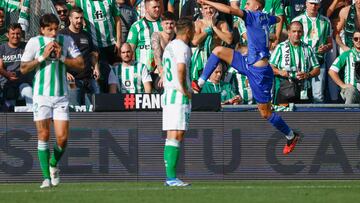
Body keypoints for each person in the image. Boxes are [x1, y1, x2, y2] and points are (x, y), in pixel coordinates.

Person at [193, 0, 300, 155]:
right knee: (218, 50)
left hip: (259, 73)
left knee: (265, 113)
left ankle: (291, 135)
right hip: (248, 62)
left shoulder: (253, 16)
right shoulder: (265, 17)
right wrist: (272, 34)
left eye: (248, 3)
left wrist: (208, 2)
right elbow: (277, 18)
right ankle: (200, 83)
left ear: (257, 6)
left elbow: (230, 10)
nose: (245, 6)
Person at [20, 13, 84, 188]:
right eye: (50, 30)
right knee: (44, 135)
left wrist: (62, 57)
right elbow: (23, 68)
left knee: (62, 139)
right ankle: (46, 178)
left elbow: (80, 64)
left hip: (61, 95)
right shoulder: (34, 42)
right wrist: (42, 57)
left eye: (56, 29)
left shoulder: (66, 41)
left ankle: (53, 163)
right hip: (41, 96)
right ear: (42, 30)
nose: (54, 33)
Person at [162, 17, 194, 186]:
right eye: (194, 29)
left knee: (171, 136)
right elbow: (181, 68)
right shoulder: (183, 47)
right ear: (188, 31)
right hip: (177, 95)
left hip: (168, 94)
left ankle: (170, 177)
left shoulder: (170, 46)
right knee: (177, 134)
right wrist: (183, 89)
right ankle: (171, 178)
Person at [72, 0, 122, 93]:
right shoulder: (81, 2)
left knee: (117, 73)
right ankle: (103, 101)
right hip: (96, 45)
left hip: (112, 44)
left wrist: (119, 41)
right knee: (100, 74)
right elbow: (71, 10)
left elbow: (117, 19)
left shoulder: (110, 1)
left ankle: (117, 100)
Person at [270, 21, 320, 104]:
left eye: (299, 31)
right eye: (294, 31)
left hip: (304, 90)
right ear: (289, 32)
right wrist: (280, 72)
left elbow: (317, 69)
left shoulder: (308, 48)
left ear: (303, 33)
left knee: (303, 116)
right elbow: (270, 68)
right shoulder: (280, 47)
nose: (296, 34)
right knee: (285, 115)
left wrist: (307, 74)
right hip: (285, 89)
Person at [293, 0, 333, 103]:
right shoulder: (297, 20)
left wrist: (326, 48)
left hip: (319, 62)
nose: (313, 6)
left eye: (316, 4)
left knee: (318, 96)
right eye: (311, 3)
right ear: (306, 3)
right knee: (299, 96)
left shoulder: (326, 21)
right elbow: (291, 42)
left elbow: (330, 44)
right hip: (300, 63)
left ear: (319, 5)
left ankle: (317, 118)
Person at [59, 7, 100, 106]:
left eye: (81, 18)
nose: (79, 21)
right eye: (76, 18)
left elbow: (93, 54)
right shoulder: (62, 35)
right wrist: (65, 72)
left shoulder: (86, 35)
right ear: (70, 19)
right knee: (75, 109)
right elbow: (56, 57)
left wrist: (96, 67)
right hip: (72, 81)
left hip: (88, 79)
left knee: (95, 108)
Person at [191, 2, 232, 81]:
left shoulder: (222, 24)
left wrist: (214, 27)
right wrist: (207, 30)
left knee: (216, 85)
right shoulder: (198, 24)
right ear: (202, 10)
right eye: (205, 8)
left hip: (217, 59)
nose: (208, 11)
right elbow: (195, 41)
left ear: (215, 9)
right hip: (201, 60)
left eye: (211, 8)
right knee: (201, 87)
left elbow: (229, 40)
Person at [0, 23, 32, 111]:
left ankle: (32, 118)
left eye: (18, 34)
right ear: (7, 35)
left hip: (23, 83)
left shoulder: (26, 46)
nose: (15, 36)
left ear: (21, 34)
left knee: (28, 91)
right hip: (6, 84)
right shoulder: (2, 48)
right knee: (9, 104)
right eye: (13, 34)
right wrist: (7, 74)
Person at [127, 0, 162, 73]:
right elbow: (130, 49)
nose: (157, 9)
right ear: (147, 9)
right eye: (154, 7)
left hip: (161, 71)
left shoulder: (164, 24)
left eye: (159, 7)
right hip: (143, 71)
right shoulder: (136, 26)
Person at [329, 30, 360, 104]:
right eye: (356, 39)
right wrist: (342, 85)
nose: (358, 41)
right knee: (351, 91)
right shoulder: (347, 54)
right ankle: (347, 114)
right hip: (351, 90)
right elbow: (332, 71)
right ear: (353, 40)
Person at [151, 11, 176, 91]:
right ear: (161, 24)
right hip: (158, 71)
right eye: (166, 23)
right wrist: (163, 74)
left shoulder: (177, 37)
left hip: (174, 71)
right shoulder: (156, 36)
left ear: (175, 24)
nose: (169, 26)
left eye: (171, 23)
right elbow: (157, 58)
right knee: (162, 85)